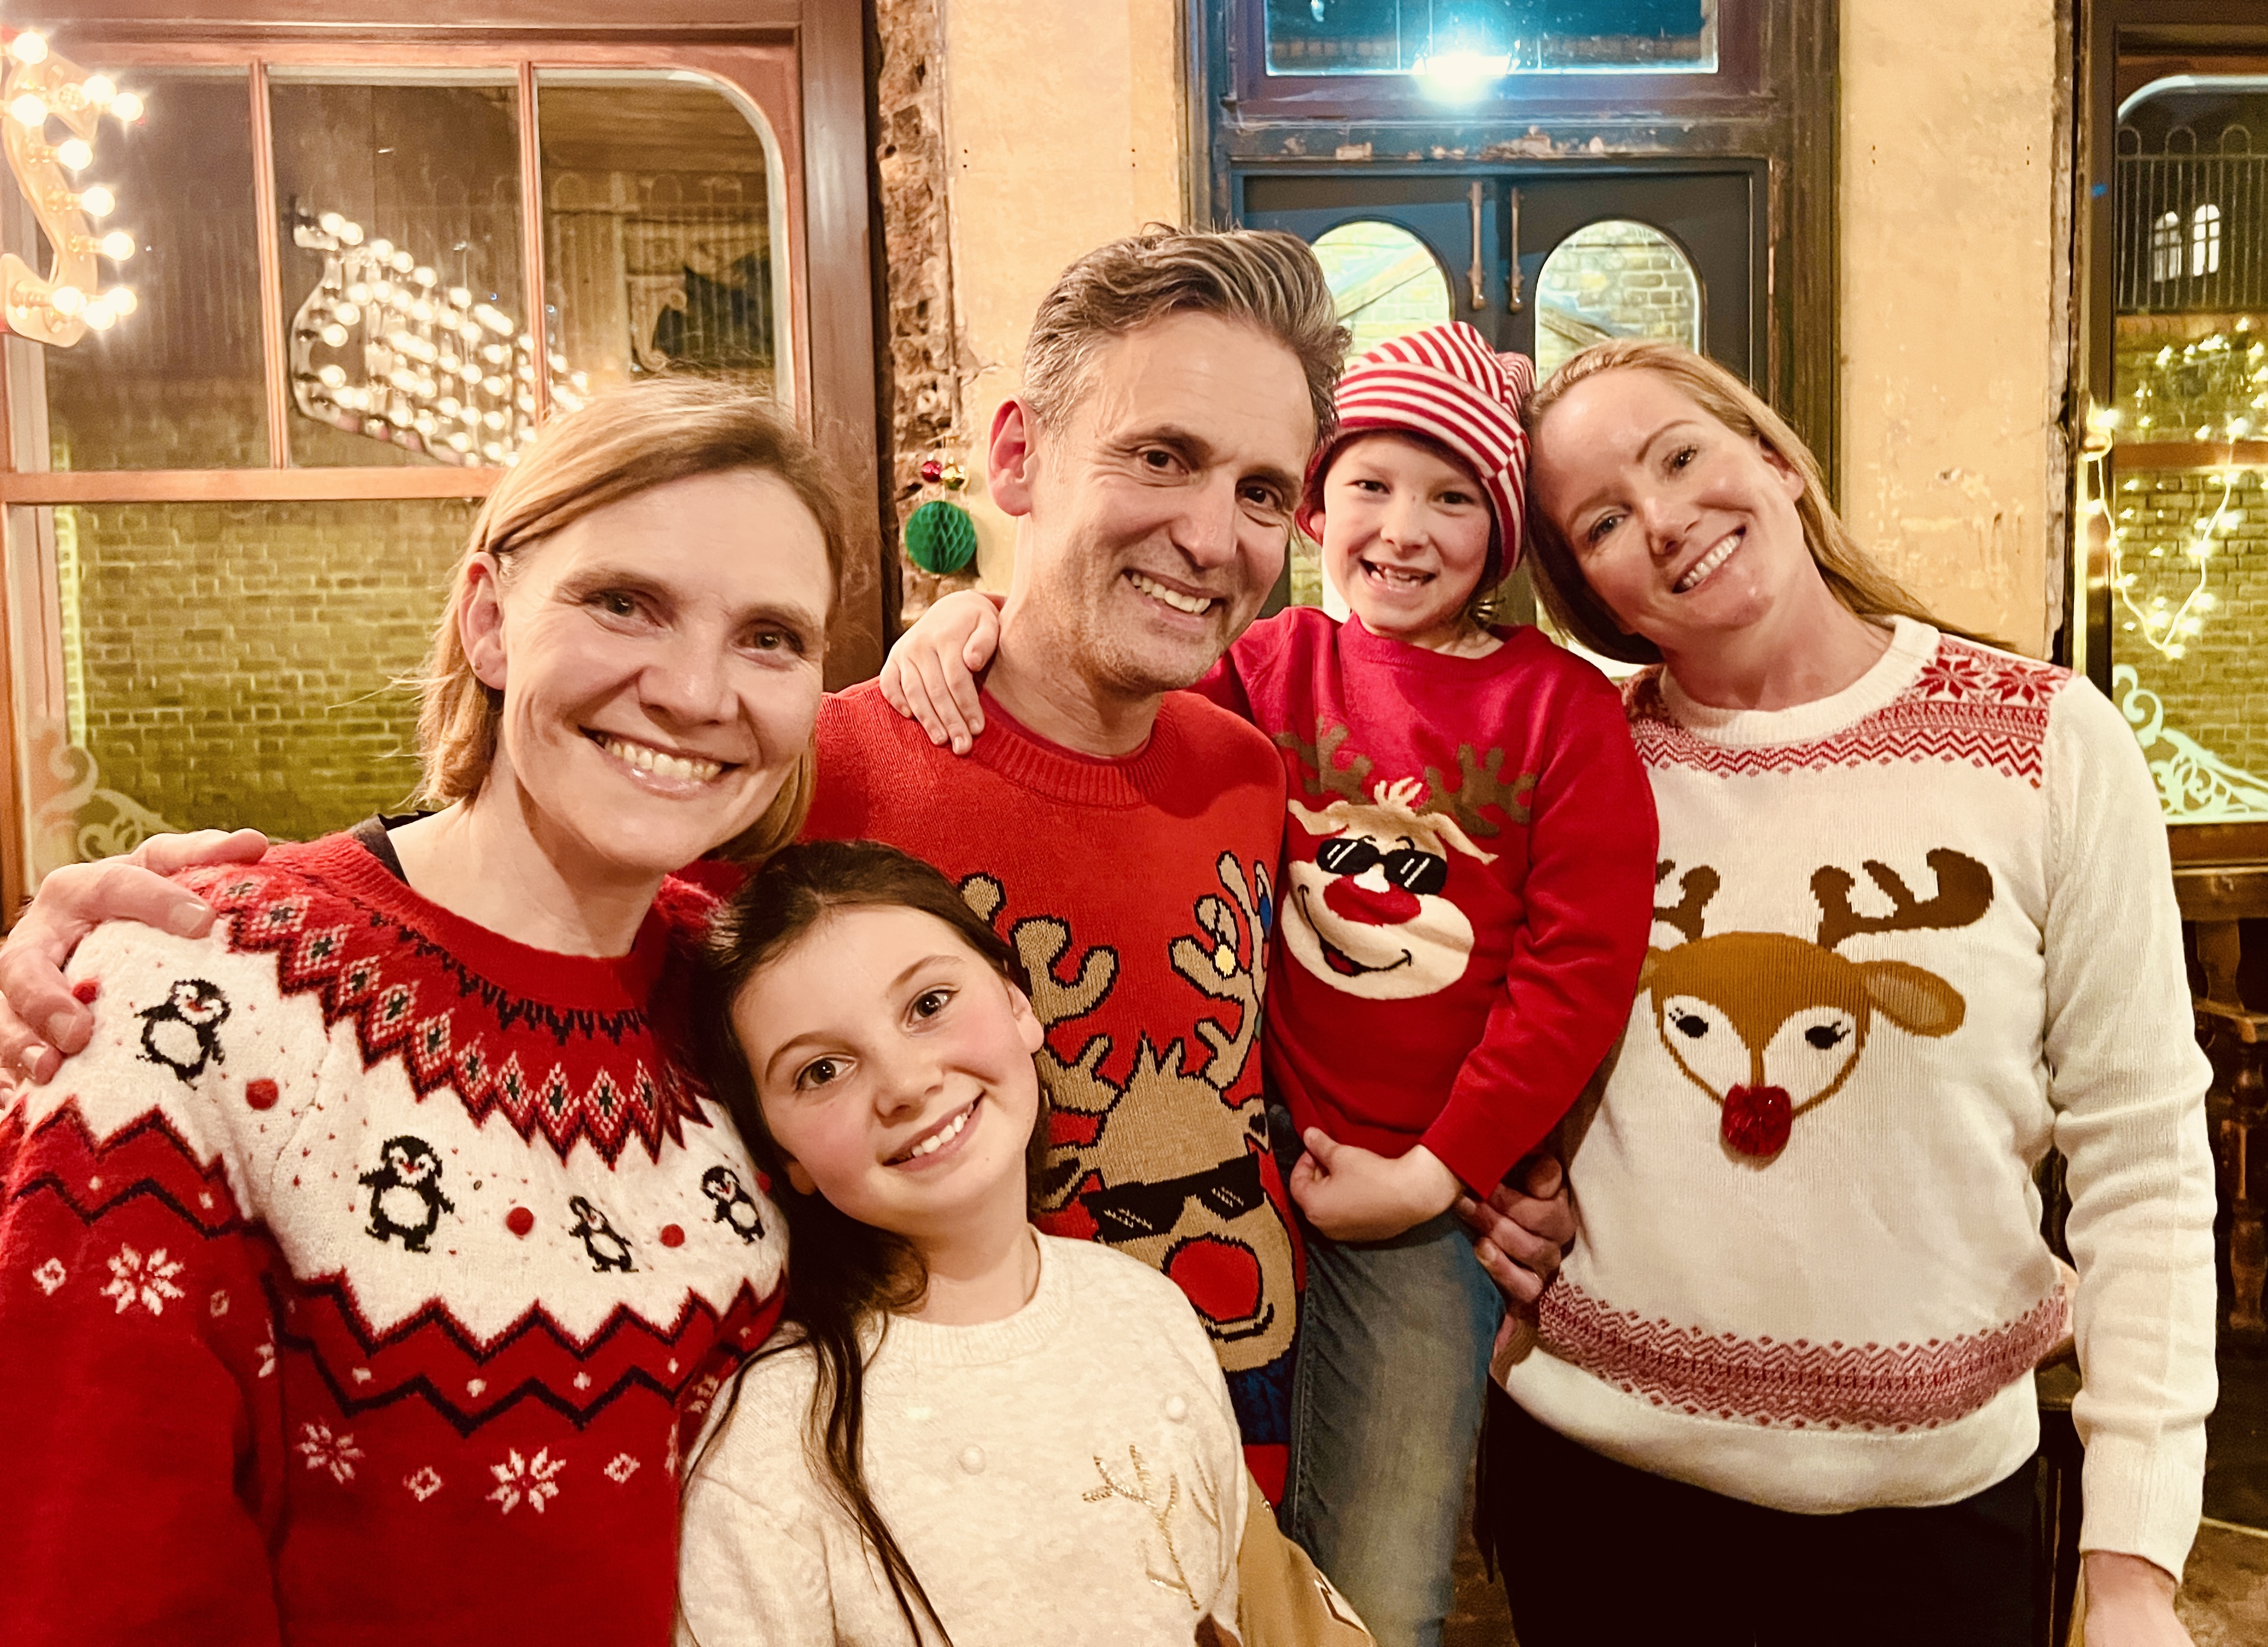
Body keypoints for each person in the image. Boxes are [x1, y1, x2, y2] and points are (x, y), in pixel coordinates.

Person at [0, 227, 1578, 1516]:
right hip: (916, 1477)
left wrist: (1512, 1164)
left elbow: (1353, 994)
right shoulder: (808, 768)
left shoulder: (1246, 763)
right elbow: (519, 885)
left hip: (1227, 1409)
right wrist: (184, 925)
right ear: (1017, 456)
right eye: (1158, 454)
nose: (1212, 533)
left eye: (1258, 491)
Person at [0, 379, 849, 1645]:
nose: (692, 689)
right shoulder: (191, 991)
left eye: (769, 636)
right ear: (489, 619)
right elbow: (92, 1575)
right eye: (624, 601)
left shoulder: (762, 995)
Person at [880, 319, 1658, 1647]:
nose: (1401, 529)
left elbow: (1578, 970)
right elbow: (1102, 666)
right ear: (1316, 505)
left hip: (1421, 1188)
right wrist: (968, 616)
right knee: (1189, 1535)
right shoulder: (1269, 661)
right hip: (1240, 1150)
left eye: (1452, 497)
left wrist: (1441, 1168)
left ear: (1501, 533)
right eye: (1368, 484)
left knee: (1375, 1578)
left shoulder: (1557, 709)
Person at [1452, 338, 2216, 1647]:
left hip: (1930, 1531)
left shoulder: (2046, 740)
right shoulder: (1571, 757)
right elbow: (1434, 1016)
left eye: (1679, 455)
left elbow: (2142, 1158)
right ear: (1590, 594)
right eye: (1603, 521)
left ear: (1776, 458)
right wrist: (1489, 1185)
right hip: (1594, 1500)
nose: (1663, 518)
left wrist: (2134, 1558)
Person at [678, 838, 1312, 1645]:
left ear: (1017, 1002)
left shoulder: (1149, 1312)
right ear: (783, 1153)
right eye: (821, 1070)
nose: (907, 1084)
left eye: (929, 1004)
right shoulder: (771, 1443)